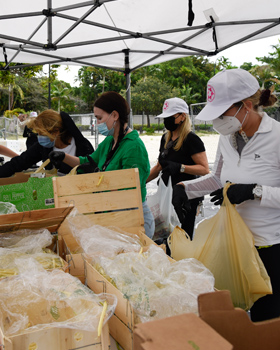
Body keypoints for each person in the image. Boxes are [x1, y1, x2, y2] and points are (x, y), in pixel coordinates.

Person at [172, 68, 280, 322]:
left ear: (246, 105)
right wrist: (184, 189)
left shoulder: (276, 137)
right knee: (235, 318)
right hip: (233, 245)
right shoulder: (228, 137)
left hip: (269, 248)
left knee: (267, 322)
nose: (217, 121)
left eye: (222, 113)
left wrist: (255, 191)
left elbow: (253, 190)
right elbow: (217, 179)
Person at [49, 91, 155, 239]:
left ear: (115, 116)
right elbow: (88, 162)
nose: (97, 123)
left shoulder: (134, 146)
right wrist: (63, 157)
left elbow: (129, 189)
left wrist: (97, 175)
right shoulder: (109, 142)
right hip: (113, 215)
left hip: (133, 218)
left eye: (99, 118)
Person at [146, 97, 209, 239]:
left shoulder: (191, 139)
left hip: (185, 197)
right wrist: (139, 183)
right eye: (165, 117)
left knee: (182, 237)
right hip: (167, 193)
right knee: (165, 235)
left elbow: (204, 169)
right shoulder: (166, 138)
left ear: (182, 116)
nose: (166, 120)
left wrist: (180, 167)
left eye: (170, 117)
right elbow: (158, 166)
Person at [0, 109, 94, 177]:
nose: (39, 137)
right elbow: (19, 163)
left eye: (41, 133)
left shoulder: (83, 146)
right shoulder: (42, 147)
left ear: (56, 132)